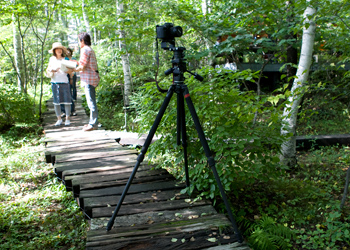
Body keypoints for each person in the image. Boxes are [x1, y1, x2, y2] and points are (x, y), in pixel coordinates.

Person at [74, 32, 100, 131]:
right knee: (91, 101)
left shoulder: (84, 49)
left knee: (91, 102)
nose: (78, 43)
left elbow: (83, 66)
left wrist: (72, 69)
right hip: (91, 78)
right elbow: (85, 64)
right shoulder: (90, 49)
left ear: (82, 40)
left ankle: (93, 124)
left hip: (88, 79)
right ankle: (92, 122)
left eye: (79, 41)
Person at [47, 42, 73, 126]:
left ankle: (68, 118)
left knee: (67, 101)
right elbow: (48, 69)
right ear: (54, 51)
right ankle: (59, 119)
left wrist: (67, 70)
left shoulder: (65, 59)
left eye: (60, 49)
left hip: (64, 81)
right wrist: (53, 70)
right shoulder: (52, 59)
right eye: (57, 49)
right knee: (56, 102)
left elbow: (71, 71)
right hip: (55, 82)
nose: (59, 51)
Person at [61, 47, 77, 117]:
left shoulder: (67, 59)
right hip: (60, 78)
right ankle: (64, 111)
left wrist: (71, 78)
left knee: (69, 92)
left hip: (68, 76)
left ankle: (72, 110)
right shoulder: (58, 59)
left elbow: (71, 68)